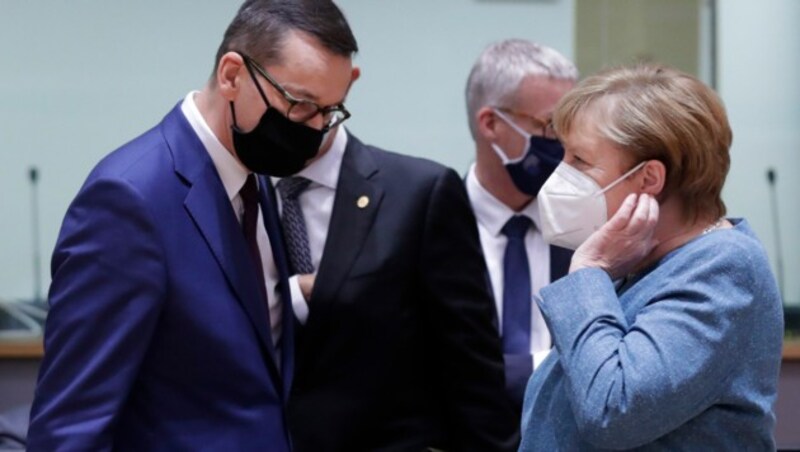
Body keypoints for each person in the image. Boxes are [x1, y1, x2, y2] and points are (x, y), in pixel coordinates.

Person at [27, 1, 360, 450]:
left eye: (330, 111)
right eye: (300, 106)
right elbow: (71, 428)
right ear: (231, 75)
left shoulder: (255, 175)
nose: (315, 129)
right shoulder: (129, 200)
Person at [279, 16, 515, 452]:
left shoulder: (419, 195)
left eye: (318, 104)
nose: (309, 121)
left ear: (347, 84)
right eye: (295, 101)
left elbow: (471, 371)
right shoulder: (233, 193)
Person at [519, 64, 784, 450]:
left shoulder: (723, 267)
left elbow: (614, 409)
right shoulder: (645, 260)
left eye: (580, 160)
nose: (560, 175)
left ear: (649, 180)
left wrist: (589, 272)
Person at [463, 39, 577, 420]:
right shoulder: (426, 225)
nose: (563, 145)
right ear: (491, 123)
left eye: (570, 128)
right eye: (550, 126)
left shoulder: (590, 229)